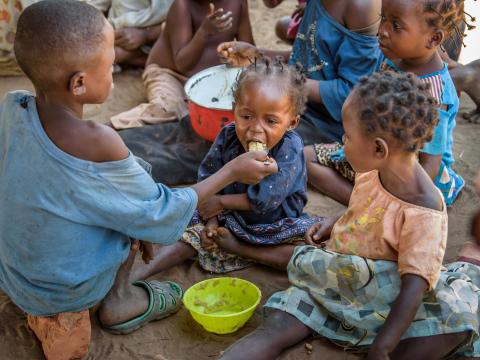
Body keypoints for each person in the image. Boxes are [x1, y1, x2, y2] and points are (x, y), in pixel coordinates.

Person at [0, 2, 276, 359]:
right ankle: (120, 300)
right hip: (66, 290)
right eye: (109, 58)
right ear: (80, 83)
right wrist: (232, 171)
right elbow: (161, 212)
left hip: (15, 270)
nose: (115, 65)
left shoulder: (13, 104)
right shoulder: (99, 142)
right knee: (138, 206)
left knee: (128, 190)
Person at [217, 71, 480, 360]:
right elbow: (365, 210)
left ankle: (243, 248)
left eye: (348, 136)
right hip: (338, 280)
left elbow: (412, 291)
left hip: (380, 296)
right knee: (278, 325)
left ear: (379, 148)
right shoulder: (374, 172)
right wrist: (336, 222)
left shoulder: (425, 212)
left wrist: (383, 345)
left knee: (454, 318)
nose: (342, 143)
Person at [131, 58, 323, 279]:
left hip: (276, 225)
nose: (255, 129)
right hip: (229, 218)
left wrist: (220, 203)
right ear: (234, 109)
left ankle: (242, 250)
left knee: (309, 246)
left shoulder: (290, 149)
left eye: (270, 121)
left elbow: (266, 200)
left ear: (291, 123)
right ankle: (140, 274)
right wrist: (211, 220)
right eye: (247, 116)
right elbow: (209, 177)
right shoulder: (228, 135)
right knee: (188, 228)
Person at [305, 0, 471, 206]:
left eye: (396, 25)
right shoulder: (394, 57)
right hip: (375, 153)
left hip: (406, 175)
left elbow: (429, 167)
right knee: (305, 159)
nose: (382, 31)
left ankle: (373, 206)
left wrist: (393, 195)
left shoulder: (434, 95)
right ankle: (365, 202)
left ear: (434, 38)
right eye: (383, 18)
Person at [218, 0, 383, 145]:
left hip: (330, 127)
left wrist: (284, 80)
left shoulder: (360, 7)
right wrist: (259, 58)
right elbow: (312, 60)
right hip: (302, 106)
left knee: (249, 138)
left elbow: (353, 93)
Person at [110, 0, 254, 129]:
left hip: (210, 79)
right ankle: (112, 127)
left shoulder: (238, 3)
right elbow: (183, 64)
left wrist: (236, 54)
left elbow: (249, 52)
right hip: (171, 74)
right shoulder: (182, 5)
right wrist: (204, 32)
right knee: (169, 109)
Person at [86, 0, 174, 68]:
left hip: (163, 42)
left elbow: (183, 23)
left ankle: (142, 57)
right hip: (112, 34)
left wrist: (147, 35)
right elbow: (92, 9)